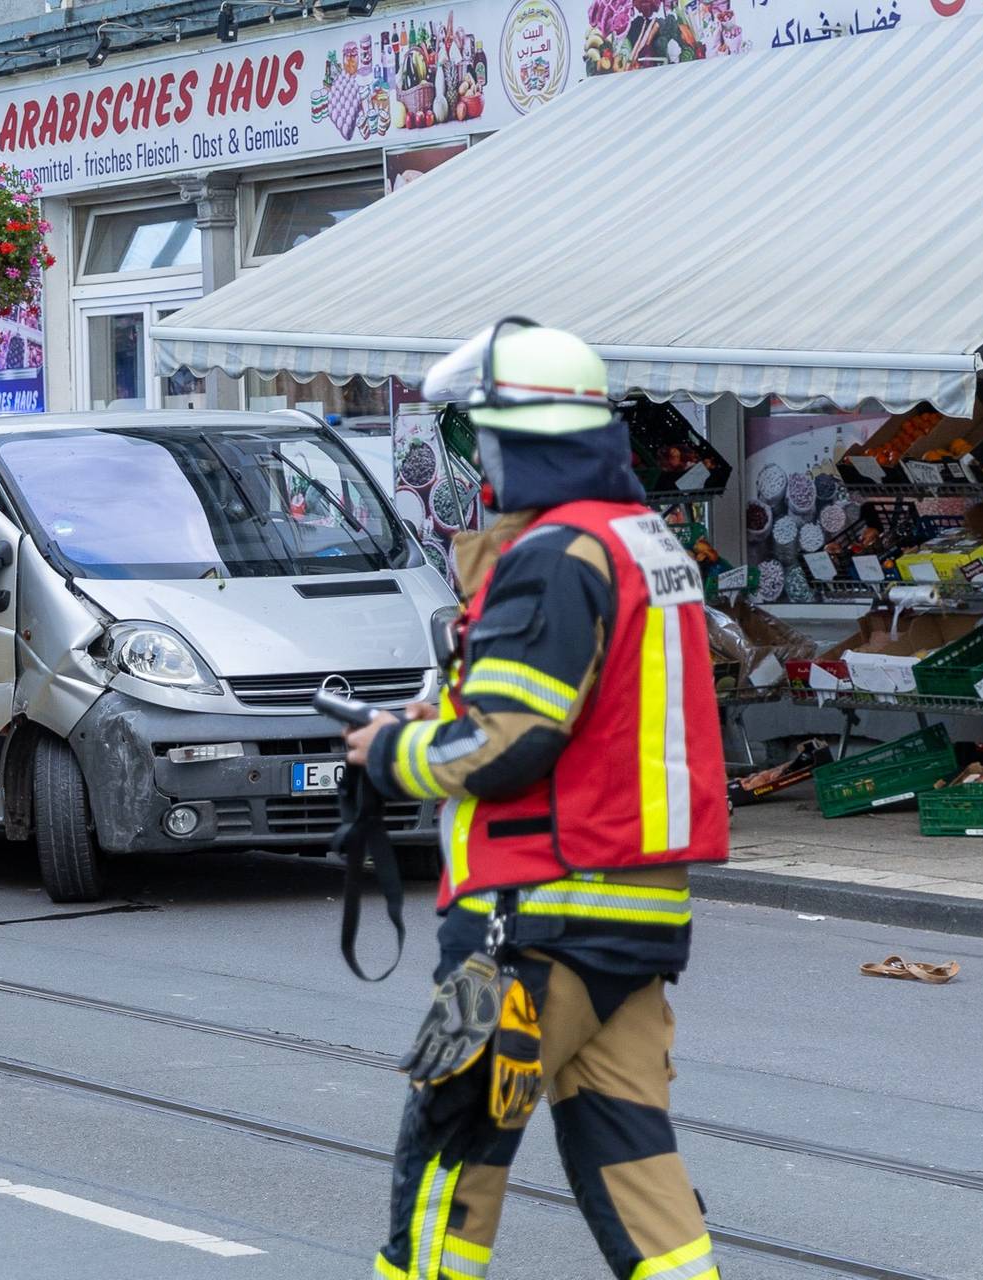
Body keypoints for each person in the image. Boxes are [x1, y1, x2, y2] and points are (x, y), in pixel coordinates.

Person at [345, 318, 728, 1280]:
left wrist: (394, 751)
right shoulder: (645, 546)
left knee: (450, 1142)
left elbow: (510, 741)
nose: (482, 463)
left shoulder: (555, 554)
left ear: (526, 443)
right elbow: (590, 709)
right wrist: (444, 702)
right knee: (632, 1157)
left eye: (484, 438)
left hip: (531, 913)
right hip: (636, 913)